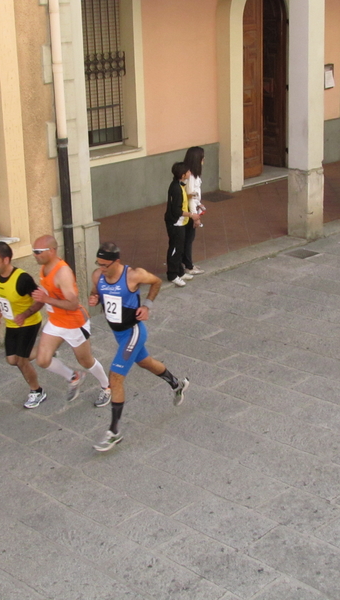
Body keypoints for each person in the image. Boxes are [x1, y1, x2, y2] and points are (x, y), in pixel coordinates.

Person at [88, 242, 190, 451]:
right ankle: (177, 384)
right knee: (145, 362)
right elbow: (97, 294)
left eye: (105, 264)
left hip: (134, 331)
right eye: (99, 264)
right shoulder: (97, 275)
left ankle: (114, 432)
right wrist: (94, 298)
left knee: (115, 377)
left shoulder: (133, 275)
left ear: (116, 261)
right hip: (118, 334)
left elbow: (156, 282)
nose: (101, 268)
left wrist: (147, 306)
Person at [30, 235, 112, 407]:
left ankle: (107, 386)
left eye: (38, 252)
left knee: (86, 360)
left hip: (74, 324)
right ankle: (73, 377)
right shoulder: (44, 268)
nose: (35, 255)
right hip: (56, 321)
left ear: (51, 251)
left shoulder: (62, 273)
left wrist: (46, 299)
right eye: (33, 251)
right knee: (43, 359)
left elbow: (73, 304)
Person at [0, 241, 46, 408]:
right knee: (11, 360)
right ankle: (46, 351)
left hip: (28, 323)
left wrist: (25, 315)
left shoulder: (23, 279)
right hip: (11, 323)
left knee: (21, 361)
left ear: (6, 260)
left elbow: (40, 301)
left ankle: (37, 391)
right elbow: (4, 296)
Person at [164, 162, 200, 287]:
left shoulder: (180, 185)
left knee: (180, 248)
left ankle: (180, 272)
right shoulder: (176, 188)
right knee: (175, 249)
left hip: (181, 223)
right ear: (183, 174)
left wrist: (190, 196)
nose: (190, 173)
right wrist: (192, 215)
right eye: (188, 172)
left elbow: (181, 200)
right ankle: (172, 275)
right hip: (175, 223)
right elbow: (176, 210)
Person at [182, 146, 206, 276]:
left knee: (188, 238)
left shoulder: (191, 174)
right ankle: (188, 266)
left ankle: (187, 263)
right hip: (189, 211)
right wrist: (195, 216)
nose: (204, 159)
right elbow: (190, 196)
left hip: (192, 208)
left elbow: (194, 196)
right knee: (188, 238)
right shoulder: (191, 176)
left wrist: (199, 203)